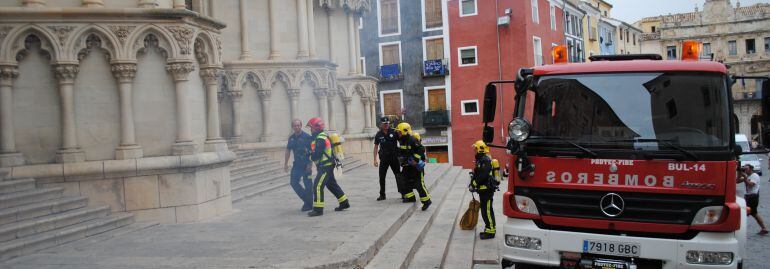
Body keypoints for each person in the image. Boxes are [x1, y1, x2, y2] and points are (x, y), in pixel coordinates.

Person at [306, 117, 350, 217]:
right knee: (331, 184)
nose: (311, 130)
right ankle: (344, 202)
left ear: (316, 128)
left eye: (311, 128)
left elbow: (317, 154)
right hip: (328, 164)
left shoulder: (320, 138)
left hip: (325, 166)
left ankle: (318, 209)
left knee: (317, 186)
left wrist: (309, 156)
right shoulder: (322, 136)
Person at [395, 122, 431, 210]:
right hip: (407, 166)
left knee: (419, 185)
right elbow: (403, 151)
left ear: (405, 131)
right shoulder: (401, 140)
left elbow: (421, 149)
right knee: (403, 181)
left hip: (416, 168)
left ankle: (427, 201)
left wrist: (415, 160)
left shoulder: (412, 139)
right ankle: (410, 197)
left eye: (399, 132)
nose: (397, 133)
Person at [469, 140, 500, 240]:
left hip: (487, 191)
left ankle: (491, 231)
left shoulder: (485, 160)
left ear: (479, 150)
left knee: (487, 211)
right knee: (484, 210)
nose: (474, 151)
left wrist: (473, 184)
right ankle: (488, 229)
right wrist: (472, 182)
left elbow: (483, 175)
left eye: (475, 149)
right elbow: (477, 174)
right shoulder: (481, 160)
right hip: (483, 190)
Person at [284, 119, 314, 211]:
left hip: (306, 165)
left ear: (301, 126)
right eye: (295, 125)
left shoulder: (307, 137)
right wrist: (285, 163)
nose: (296, 127)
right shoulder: (291, 138)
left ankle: (308, 204)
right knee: (293, 183)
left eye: (298, 125)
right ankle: (308, 201)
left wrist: (310, 164)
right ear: (292, 127)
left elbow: (312, 152)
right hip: (297, 165)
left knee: (308, 185)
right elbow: (288, 150)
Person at [373, 117, 404, 201]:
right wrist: (375, 160)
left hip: (394, 157)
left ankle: (403, 193)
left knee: (398, 175)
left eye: (387, 123)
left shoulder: (394, 132)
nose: (386, 125)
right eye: (384, 124)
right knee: (382, 176)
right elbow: (376, 147)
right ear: (381, 124)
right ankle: (382, 194)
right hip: (384, 158)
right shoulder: (378, 134)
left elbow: (401, 141)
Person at [738, 164, 768, 235]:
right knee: (753, 213)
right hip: (748, 196)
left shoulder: (755, 176)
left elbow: (750, 185)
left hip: (753, 197)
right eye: (744, 169)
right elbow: (737, 181)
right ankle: (764, 228)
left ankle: (738, 229)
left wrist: (744, 177)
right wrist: (739, 173)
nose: (745, 170)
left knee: (744, 212)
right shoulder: (747, 175)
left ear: (751, 169)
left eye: (746, 168)